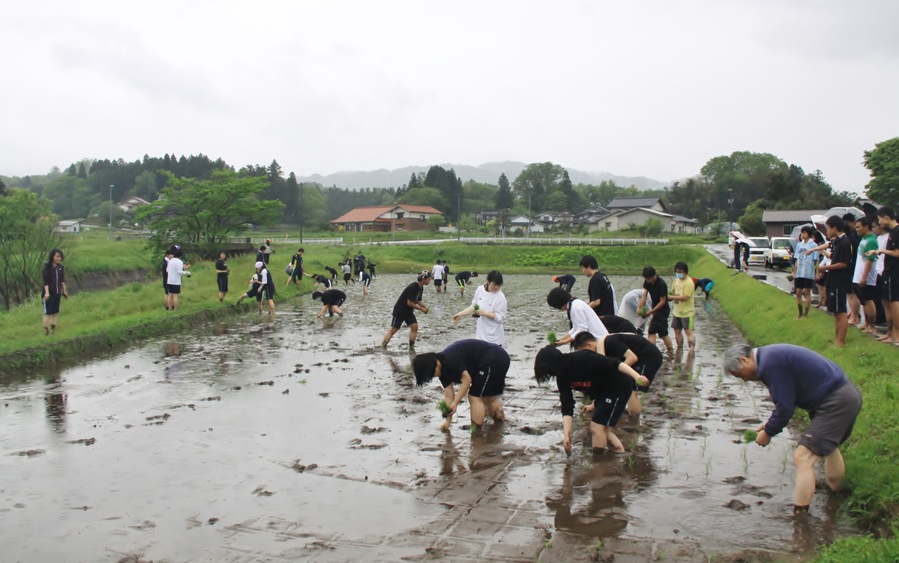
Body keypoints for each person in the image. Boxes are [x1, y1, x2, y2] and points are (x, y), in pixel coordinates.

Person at [723, 343, 862, 514]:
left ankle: (800, 520)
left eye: (739, 375)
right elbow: (787, 397)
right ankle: (834, 498)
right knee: (830, 447)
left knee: (802, 458)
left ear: (742, 359)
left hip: (835, 402)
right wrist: (770, 424)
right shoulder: (769, 357)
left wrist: (768, 433)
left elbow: (785, 407)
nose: (744, 379)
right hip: (840, 396)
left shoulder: (770, 364)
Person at [534, 332, 649, 454]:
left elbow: (615, 364)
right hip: (603, 392)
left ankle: (599, 462)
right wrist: (567, 435)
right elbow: (567, 406)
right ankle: (619, 456)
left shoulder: (581, 359)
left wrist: (637, 376)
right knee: (604, 431)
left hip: (618, 386)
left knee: (596, 427)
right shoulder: (562, 378)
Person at [413, 339, 508, 432]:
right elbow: (449, 395)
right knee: (488, 398)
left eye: (432, 373)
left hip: (494, 359)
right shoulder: (442, 371)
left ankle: (477, 432)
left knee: (474, 397)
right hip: (493, 359)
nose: (434, 376)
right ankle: (500, 424)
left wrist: (455, 403)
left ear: (435, 364)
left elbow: (466, 381)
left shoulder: (450, 359)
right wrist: (447, 421)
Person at [600, 332, 663, 416]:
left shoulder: (610, 342)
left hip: (648, 357)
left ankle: (634, 422)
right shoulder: (604, 344)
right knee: (623, 385)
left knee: (632, 391)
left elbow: (632, 358)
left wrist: (617, 372)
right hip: (640, 357)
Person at [866, 206, 899, 345]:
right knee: (886, 301)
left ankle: (896, 333)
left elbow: (897, 253)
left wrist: (881, 251)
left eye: (880, 219)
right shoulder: (893, 232)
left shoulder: (897, 232)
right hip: (887, 270)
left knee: (894, 302)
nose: (879, 222)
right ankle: (890, 332)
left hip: (894, 272)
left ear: (886, 217)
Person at [817, 215, 852, 347]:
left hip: (839, 281)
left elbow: (843, 264)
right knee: (836, 312)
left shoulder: (844, 243)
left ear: (835, 228)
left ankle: (840, 341)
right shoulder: (837, 242)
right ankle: (836, 339)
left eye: (828, 228)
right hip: (833, 280)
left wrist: (824, 268)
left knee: (841, 312)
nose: (827, 231)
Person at [452, 270, 507, 345]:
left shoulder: (500, 297)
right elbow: (474, 306)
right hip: (480, 337)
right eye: (494, 287)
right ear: (488, 282)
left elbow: (500, 318)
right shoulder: (480, 290)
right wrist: (461, 314)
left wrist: (485, 313)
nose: (496, 289)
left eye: (498, 287)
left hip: (494, 339)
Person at [382, 270, 431, 350]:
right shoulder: (413, 287)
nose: (430, 281)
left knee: (414, 326)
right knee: (394, 329)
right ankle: (383, 346)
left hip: (408, 311)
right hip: (400, 310)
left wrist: (425, 306)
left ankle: (411, 347)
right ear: (423, 279)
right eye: (429, 279)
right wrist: (422, 309)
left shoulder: (421, 288)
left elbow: (418, 300)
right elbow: (410, 303)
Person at [637, 266, 673, 354]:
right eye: (646, 279)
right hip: (656, 310)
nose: (648, 280)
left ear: (654, 276)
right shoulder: (647, 282)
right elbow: (644, 295)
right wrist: (639, 307)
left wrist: (650, 312)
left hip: (663, 311)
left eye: (649, 278)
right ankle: (671, 352)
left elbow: (662, 302)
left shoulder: (661, 284)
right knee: (663, 333)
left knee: (651, 331)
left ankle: (652, 353)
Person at [852, 218, 878, 334]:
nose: (856, 229)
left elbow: (869, 260)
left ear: (866, 226)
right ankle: (866, 322)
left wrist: (864, 277)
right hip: (858, 275)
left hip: (866, 277)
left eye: (858, 227)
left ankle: (872, 325)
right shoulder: (863, 240)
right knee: (863, 300)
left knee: (868, 300)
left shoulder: (871, 241)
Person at [669, 261, 696, 351]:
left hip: (687, 313)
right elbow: (672, 292)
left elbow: (686, 297)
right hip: (677, 312)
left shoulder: (689, 282)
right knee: (677, 330)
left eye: (680, 272)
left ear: (685, 272)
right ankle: (679, 349)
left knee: (688, 331)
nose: (678, 274)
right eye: (677, 272)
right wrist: (669, 297)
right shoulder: (676, 281)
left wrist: (673, 297)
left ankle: (691, 350)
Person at [41, 248, 68, 336]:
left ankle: (53, 330)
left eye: (60, 257)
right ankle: (46, 331)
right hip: (48, 292)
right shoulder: (47, 268)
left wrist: (64, 291)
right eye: (57, 256)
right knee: (47, 313)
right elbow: (46, 282)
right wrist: (47, 293)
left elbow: (62, 280)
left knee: (55, 312)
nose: (58, 258)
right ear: (52, 257)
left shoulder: (60, 267)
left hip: (57, 292)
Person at [794, 226, 818, 318]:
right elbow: (796, 259)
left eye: (804, 233)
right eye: (802, 233)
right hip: (800, 272)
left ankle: (806, 313)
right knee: (798, 292)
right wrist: (794, 272)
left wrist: (817, 272)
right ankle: (800, 313)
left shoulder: (813, 245)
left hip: (808, 272)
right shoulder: (799, 245)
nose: (802, 235)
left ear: (808, 234)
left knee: (807, 293)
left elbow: (816, 260)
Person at [165, 246, 190, 310]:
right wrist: (187, 272)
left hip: (169, 281)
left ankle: (170, 308)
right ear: (180, 255)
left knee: (170, 294)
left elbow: (167, 270)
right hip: (176, 281)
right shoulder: (179, 262)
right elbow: (179, 272)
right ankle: (175, 309)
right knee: (175, 295)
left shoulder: (170, 261)